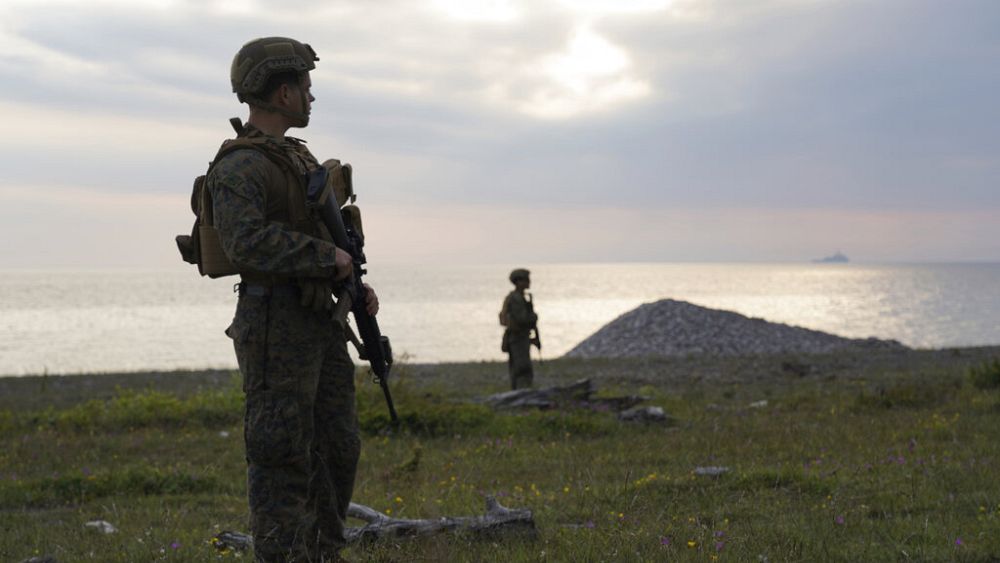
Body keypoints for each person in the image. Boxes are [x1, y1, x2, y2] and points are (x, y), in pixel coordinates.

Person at [207, 37, 377, 562]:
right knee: (281, 458)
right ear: (283, 93)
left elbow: (324, 239)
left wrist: (352, 285)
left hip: (319, 320)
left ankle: (325, 552)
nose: (311, 96)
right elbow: (245, 242)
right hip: (274, 326)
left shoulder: (298, 157)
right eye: (305, 86)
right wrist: (327, 259)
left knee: (337, 448)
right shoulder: (240, 166)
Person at [499, 268, 539, 390]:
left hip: (520, 337)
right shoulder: (516, 299)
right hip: (518, 338)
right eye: (526, 280)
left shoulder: (521, 297)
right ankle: (522, 394)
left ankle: (521, 392)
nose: (529, 282)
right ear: (518, 282)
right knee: (522, 368)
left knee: (519, 367)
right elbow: (522, 319)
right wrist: (533, 317)